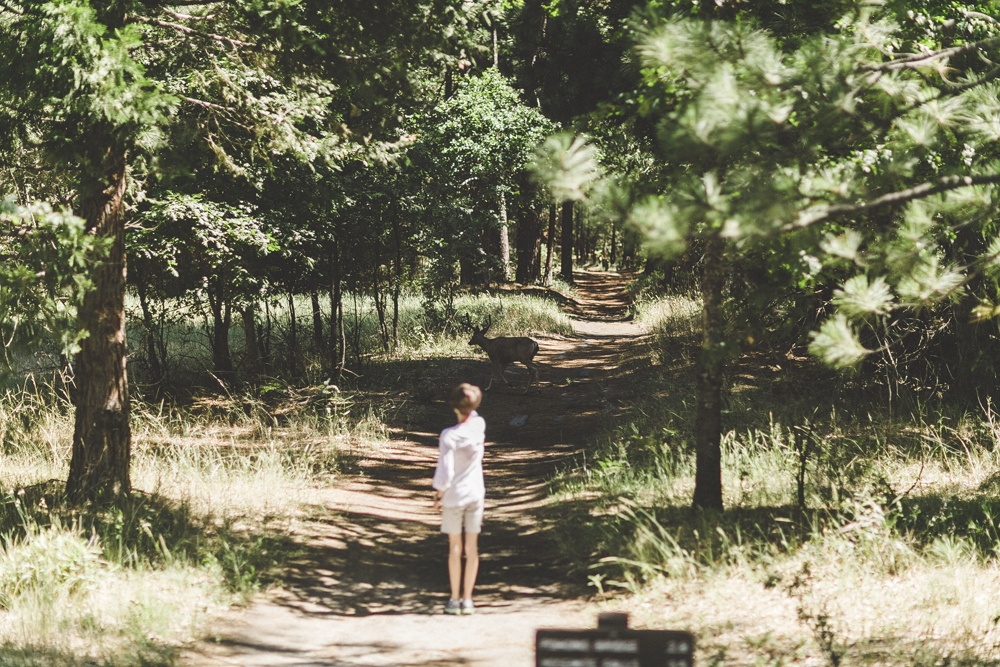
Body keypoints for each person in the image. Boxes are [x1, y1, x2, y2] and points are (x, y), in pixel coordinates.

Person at [432, 382, 486, 615]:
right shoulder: (479, 426)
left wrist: (438, 495)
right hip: (475, 494)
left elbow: (446, 472)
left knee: (455, 547)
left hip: (454, 496)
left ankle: (454, 600)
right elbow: (472, 414)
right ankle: (468, 599)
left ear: (453, 406)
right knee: (471, 547)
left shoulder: (448, 436)